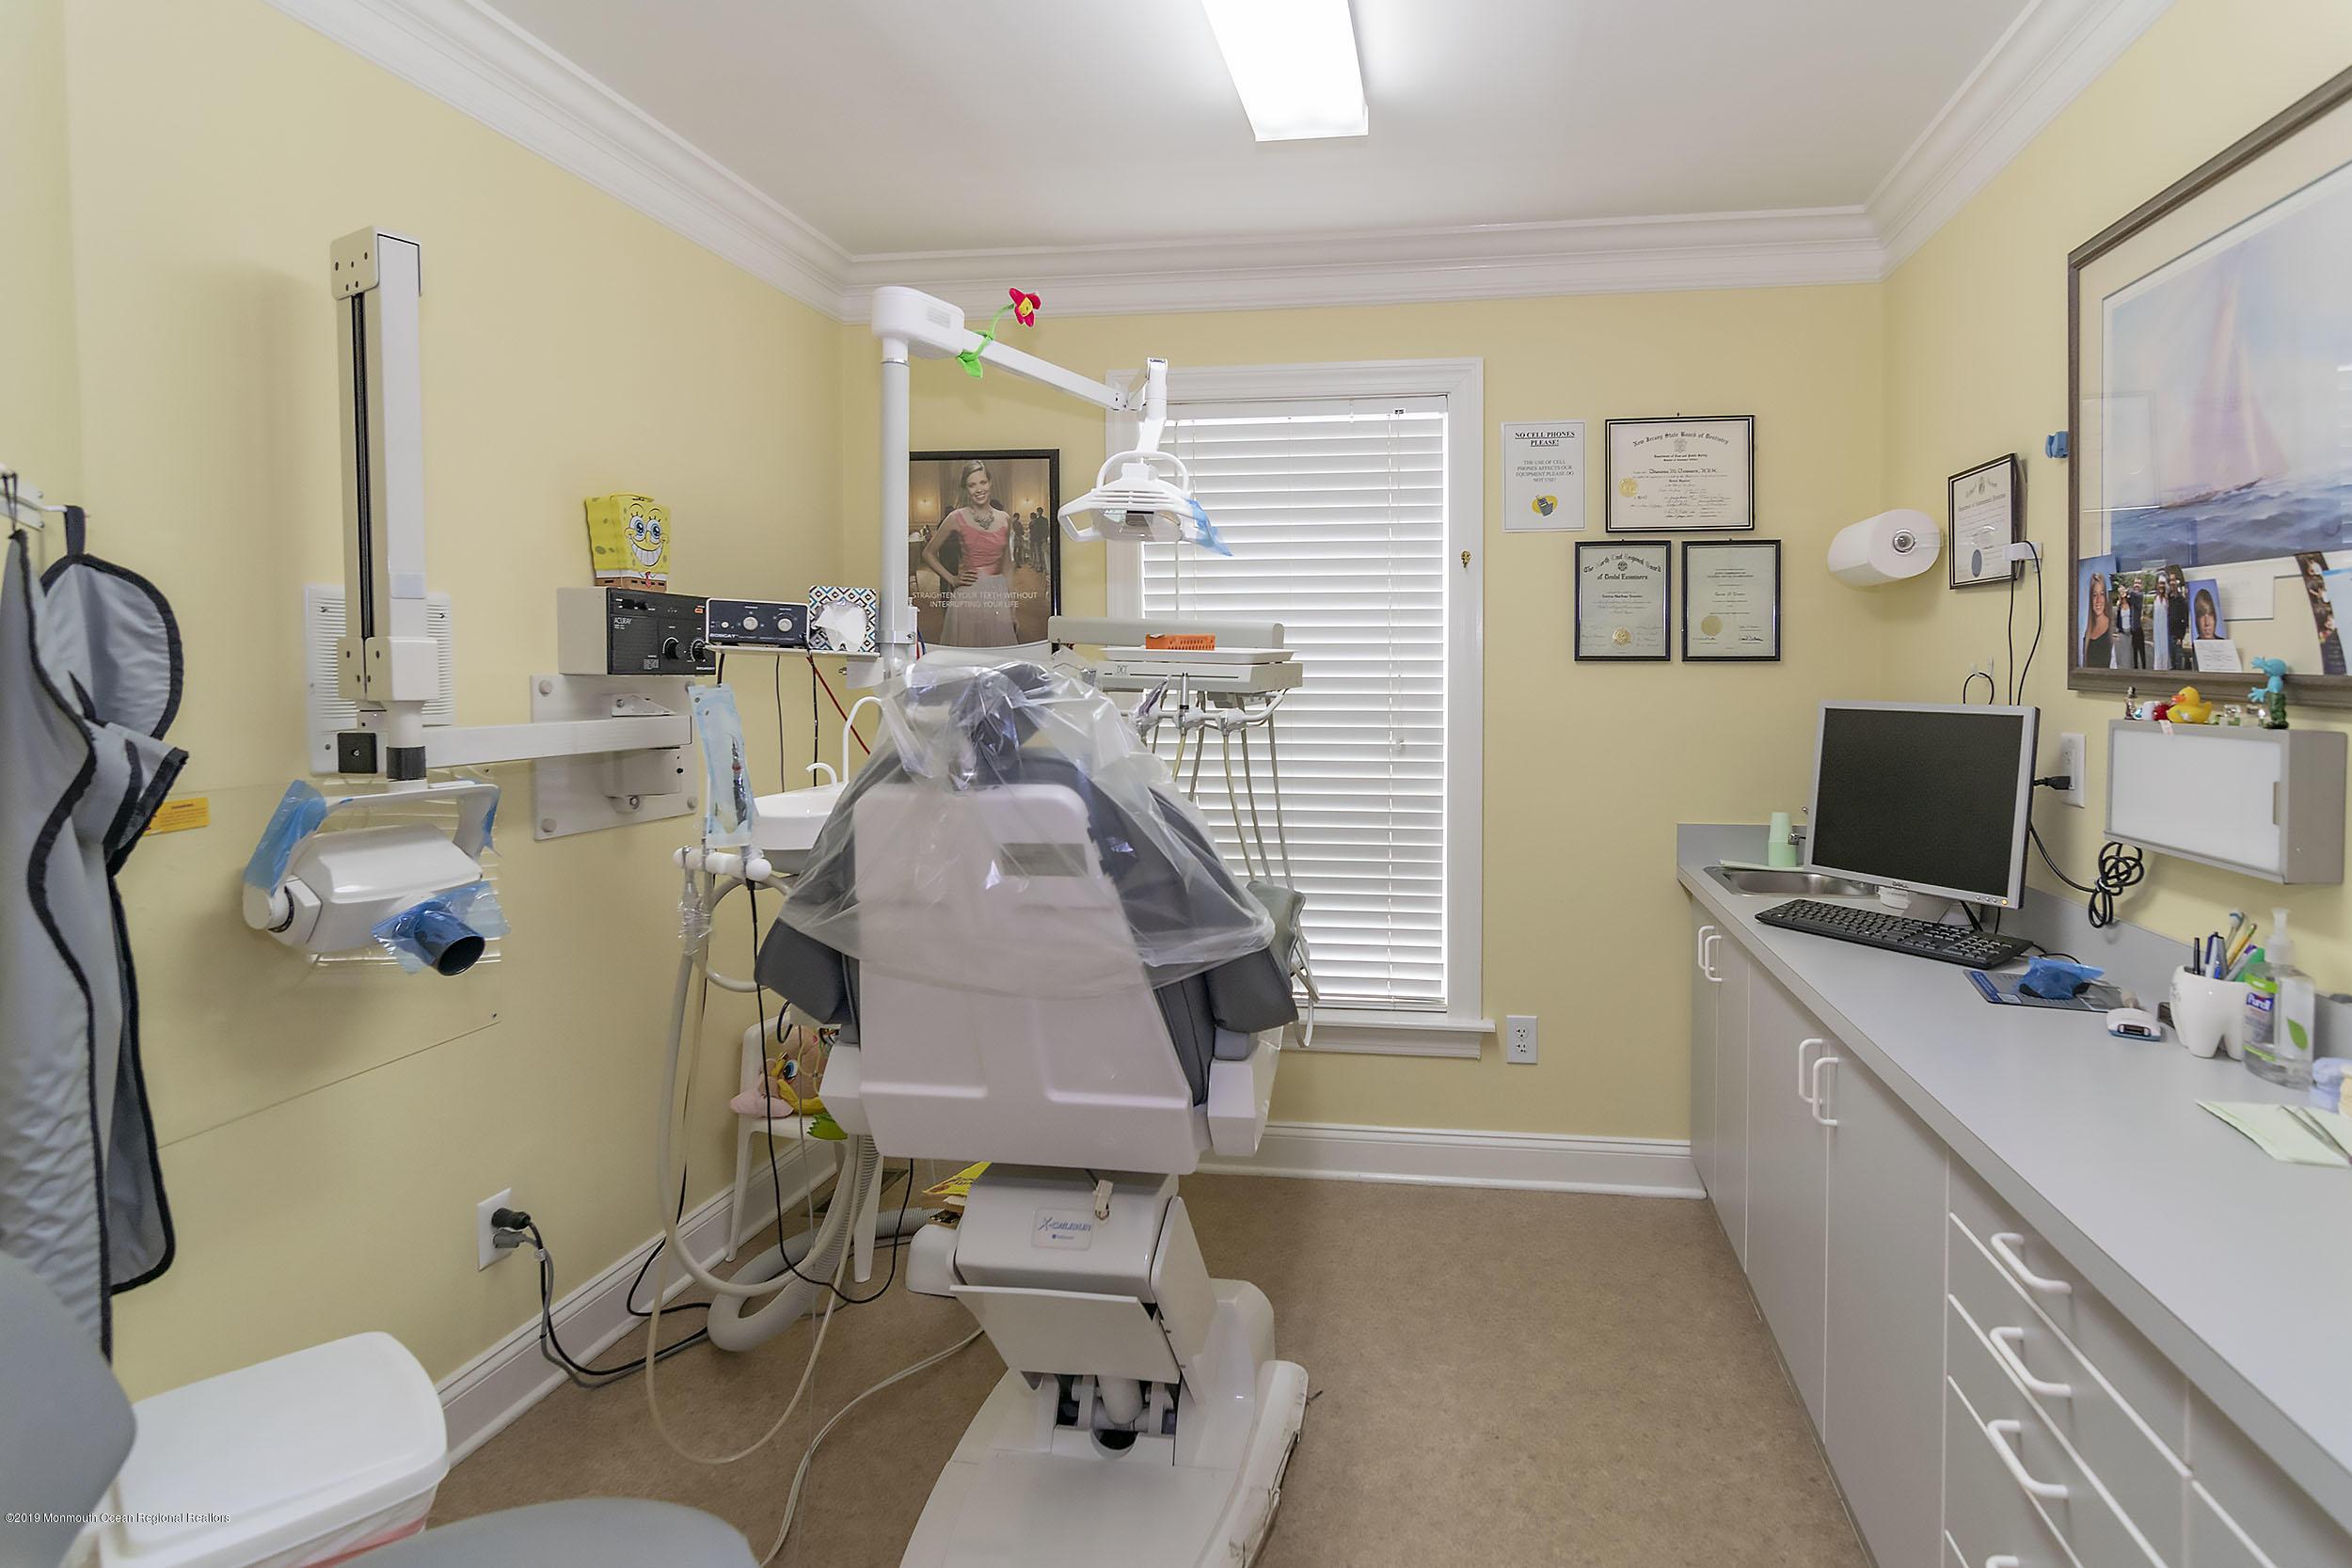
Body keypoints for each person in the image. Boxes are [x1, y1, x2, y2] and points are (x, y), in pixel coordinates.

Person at [920, 459, 1019, 646]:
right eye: (972, 485)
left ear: (990, 482)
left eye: (982, 482)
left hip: (997, 594)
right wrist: (952, 578)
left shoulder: (1005, 519)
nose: (979, 489)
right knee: (967, 654)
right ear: (966, 489)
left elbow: (1007, 566)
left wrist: (1012, 608)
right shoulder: (956, 517)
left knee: (996, 659)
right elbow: (928, 553)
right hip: (968, 594)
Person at [2082, 572, 2113, 668]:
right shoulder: (2087, 633)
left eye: (2102, 594)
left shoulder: (2112, 628)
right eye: (2094, 595)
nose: (2098, 600)